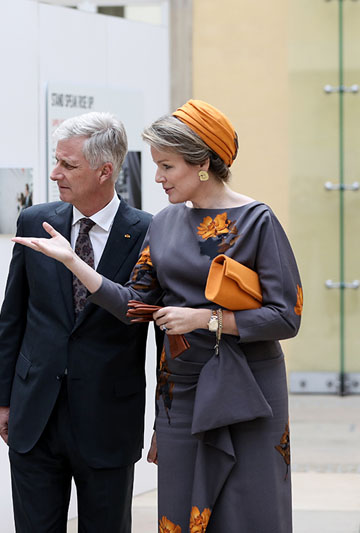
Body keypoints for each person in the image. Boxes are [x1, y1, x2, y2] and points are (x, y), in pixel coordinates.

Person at [15, 100, 302, 533]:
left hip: (247, 389)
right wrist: (75, 263)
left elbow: (286, 317)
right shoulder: (164, 223)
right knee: (180, 512)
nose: (157, 177)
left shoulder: (258, 220)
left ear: (202, 164)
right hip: (180, 392)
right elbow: (134, 305)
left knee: (248, 509)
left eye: (167, 166)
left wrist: (203, 320)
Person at [0, 111, 152, 532]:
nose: (54, 173)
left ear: (104, 171)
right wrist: (3, 399)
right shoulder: (35, 221)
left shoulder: (148, 232)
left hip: (108, 420)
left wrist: (167, 422)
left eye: (68, 165)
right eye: (56, 161)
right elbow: (13, 316)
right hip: (35, 415)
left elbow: (148, 322)